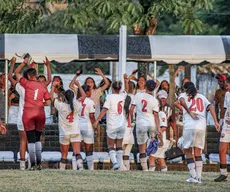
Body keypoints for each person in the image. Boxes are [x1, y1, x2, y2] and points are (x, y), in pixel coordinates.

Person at [178, 82, 219, 183]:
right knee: (198, 151)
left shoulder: (184, 95)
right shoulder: (202, 96)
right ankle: (199, 177)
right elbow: (211, 107)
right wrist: (216, 122)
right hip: (201, 126)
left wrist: (189, 111)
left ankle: (193, 175)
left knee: (187, 149)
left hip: (190, 126)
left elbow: (181, 101)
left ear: (185, 89)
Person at [15, 62, 51, 170]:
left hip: (28, 113)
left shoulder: (26, 84)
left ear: (29, 76)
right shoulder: (43, 86)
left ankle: (33, 164)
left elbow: (16, 73)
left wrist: (24, 63)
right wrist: (40, 104)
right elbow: (48, 103)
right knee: (37, 139)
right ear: (35, 75)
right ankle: (39, 163)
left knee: (30, 140)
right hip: (40, 113)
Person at [51, 78, 85, 170]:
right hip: (75, 131)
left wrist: (53, 87)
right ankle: (81, 167)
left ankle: (62, 169)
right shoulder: (76, 105)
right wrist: (79, 86)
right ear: (73, 97)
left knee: (64, 154)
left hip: (64, 133)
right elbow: (84, 96)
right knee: (77, 152)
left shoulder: (61, 105)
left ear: (64, 97)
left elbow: (52, 98)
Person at [93, 81, 127, 170]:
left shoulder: (110, 97)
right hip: (122, 124)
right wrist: (125, 80)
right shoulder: (122, 96)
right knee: (119, 145)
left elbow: (104, 109)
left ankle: (115, 163)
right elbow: (126, 90)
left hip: (112, 124)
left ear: (112, 88)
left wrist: (97, 120)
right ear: (120, 89)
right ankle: (121, 165)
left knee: (110, 145)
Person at [130, 79, 161, 171]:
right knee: (153, 144)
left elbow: (131, 110)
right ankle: (152, 165)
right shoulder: (155, 100)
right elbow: (156, 116)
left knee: (142, 147)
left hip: (141, 123)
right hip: (151, 124)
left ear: (145, 86)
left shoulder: (138, 95)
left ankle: (145, 169)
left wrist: (133, 120)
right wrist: (158, 128)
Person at [69, 71, 96, 170]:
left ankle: (75, 167)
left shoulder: (76, 101)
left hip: (76, 126)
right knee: (89, 149)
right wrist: (95, 125)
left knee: (76, 149)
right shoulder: (90, 101)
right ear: (86, 92)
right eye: (89, 91)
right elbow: (92, 116)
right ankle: (90, 169)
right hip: (87, 126)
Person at [149, 90, 178, 172]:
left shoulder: (169, 109)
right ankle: (164, 172)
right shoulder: (155, 107)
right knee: (160, 158)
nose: (162, 100)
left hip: (163, 135)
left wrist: (176, 136)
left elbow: (173, 122)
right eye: (161, 98)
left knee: (152, 155)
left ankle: (150, 173)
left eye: (164, 98)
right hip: (160, 134)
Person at [8, 57, 28, 170]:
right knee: (33, 141)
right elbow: (48, 81)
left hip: (22, 117)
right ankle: (33, 163)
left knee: (23, 141)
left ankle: (22, 165)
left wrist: (15, 64)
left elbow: (12, 76)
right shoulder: (38, 87)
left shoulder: (22, 89)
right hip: (33, 118)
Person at [214, 76, 230, 182]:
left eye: (227, 85)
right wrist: (221, 121)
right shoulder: (227, 94)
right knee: (222, 149)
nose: (226, 86)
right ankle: (223, 173)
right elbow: (225, 109)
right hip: (227, 124)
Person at [122, 74, 136, 170]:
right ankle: (127, 167)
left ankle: (121, 166)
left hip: (121, 125)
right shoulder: (134, 97)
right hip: (130, 125)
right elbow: (131, 111)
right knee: (127, 151)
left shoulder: (122, 97)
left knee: (120, 150)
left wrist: (125, 80)